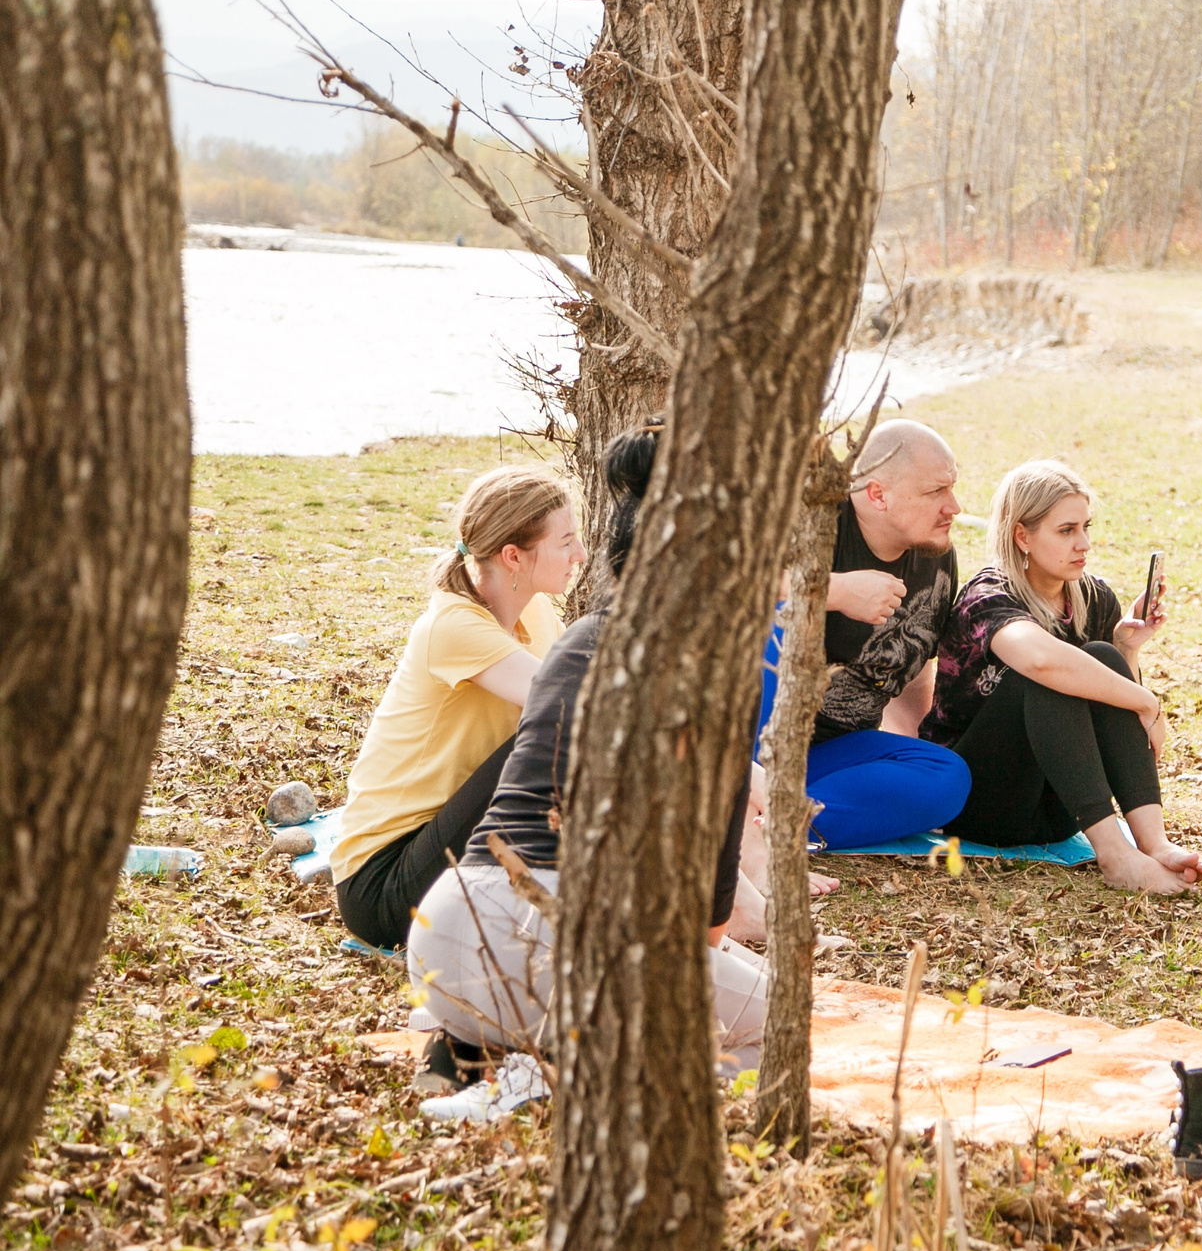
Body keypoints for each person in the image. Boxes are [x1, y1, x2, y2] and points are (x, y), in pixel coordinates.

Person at [407, 428, 770, 1077]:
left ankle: (489, 1048)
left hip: (444, 931)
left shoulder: (577, 637)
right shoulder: (717, 668)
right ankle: (549, 1080)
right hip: (556, 939)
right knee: (777, 1024)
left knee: (734, 979)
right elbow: (707, 910)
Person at [920, 459, 1202, 895]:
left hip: (1061, 807)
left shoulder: (1093, 596)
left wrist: (1128, 649)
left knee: (1102, 656)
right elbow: (1040, 661)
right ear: (1022, 536)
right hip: (979, 803)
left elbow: (1113, 713)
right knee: (1050, 674)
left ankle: (1154, 844)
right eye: (1066, 530)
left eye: (1086, 527)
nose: (1084, 543)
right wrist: (1150, 703)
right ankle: (1114, 856)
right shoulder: (986, 596)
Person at [332, 466, 582, 951]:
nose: (581, 554)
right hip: (384, 884)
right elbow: (583, 710)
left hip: (456, 846)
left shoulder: (534, 608)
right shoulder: (451, 628)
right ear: (513, 556)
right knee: (564, 728)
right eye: (567, 541)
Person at [755, 419, 973, 851]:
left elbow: (914, 671)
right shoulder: (810, 520)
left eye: (951, 488)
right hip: (744, 746)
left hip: (828, 755)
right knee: (777, 612)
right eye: (936, 492)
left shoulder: (937, 561)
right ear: (877, 495)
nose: (954, 507)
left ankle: (778, 829)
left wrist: (907, 753)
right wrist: (833, 590)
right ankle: (742, 804)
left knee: (946, 776)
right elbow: (719, 583)